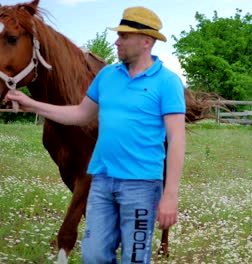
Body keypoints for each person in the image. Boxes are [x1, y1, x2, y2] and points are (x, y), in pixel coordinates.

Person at [6, 6, 185, 263]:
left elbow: (177, 140)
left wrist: (170, 196)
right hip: (102, 182)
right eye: (118, 35)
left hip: (141, 185)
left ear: (146, 42)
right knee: (94, 256)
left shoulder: (167, 83)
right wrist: (32, 104)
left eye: (124, 37)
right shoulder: (107, 76)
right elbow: (79, 114)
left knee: (134, 258)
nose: (116, 41)